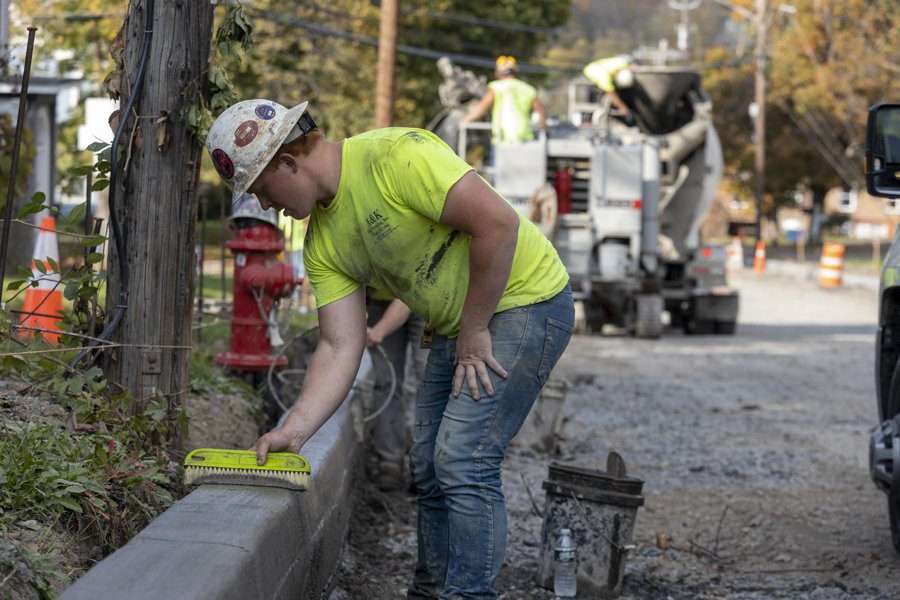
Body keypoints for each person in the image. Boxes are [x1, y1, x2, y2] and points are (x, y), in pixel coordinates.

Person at [206, 98, 573, 599]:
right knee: (428, 464)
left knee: (464, 460)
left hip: (524, 300)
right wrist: (296, 427)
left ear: (288, 163)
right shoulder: (323, 243)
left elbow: (498, 224)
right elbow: (340, 344)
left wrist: (475, 328)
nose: (267, 206)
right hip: (462, 323)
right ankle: (430, 591)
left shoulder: (396, 155)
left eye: (263, 190)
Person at [462, 55, 546, 144]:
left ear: (498, 72)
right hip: (525, 139)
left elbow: (482, 108)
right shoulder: (528, 89)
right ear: (515, 71)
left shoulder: (496, 87)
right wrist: (543, 130)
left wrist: (465, 120)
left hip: (503, 139)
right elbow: (541, 113)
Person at [583, 53, 636, 124]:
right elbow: (612, 94)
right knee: (593, 97)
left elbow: (631, 65)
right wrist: (623, 108)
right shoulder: (603, 78)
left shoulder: (622, 63)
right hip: (591, 71)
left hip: (599, 67)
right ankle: (588, 119)